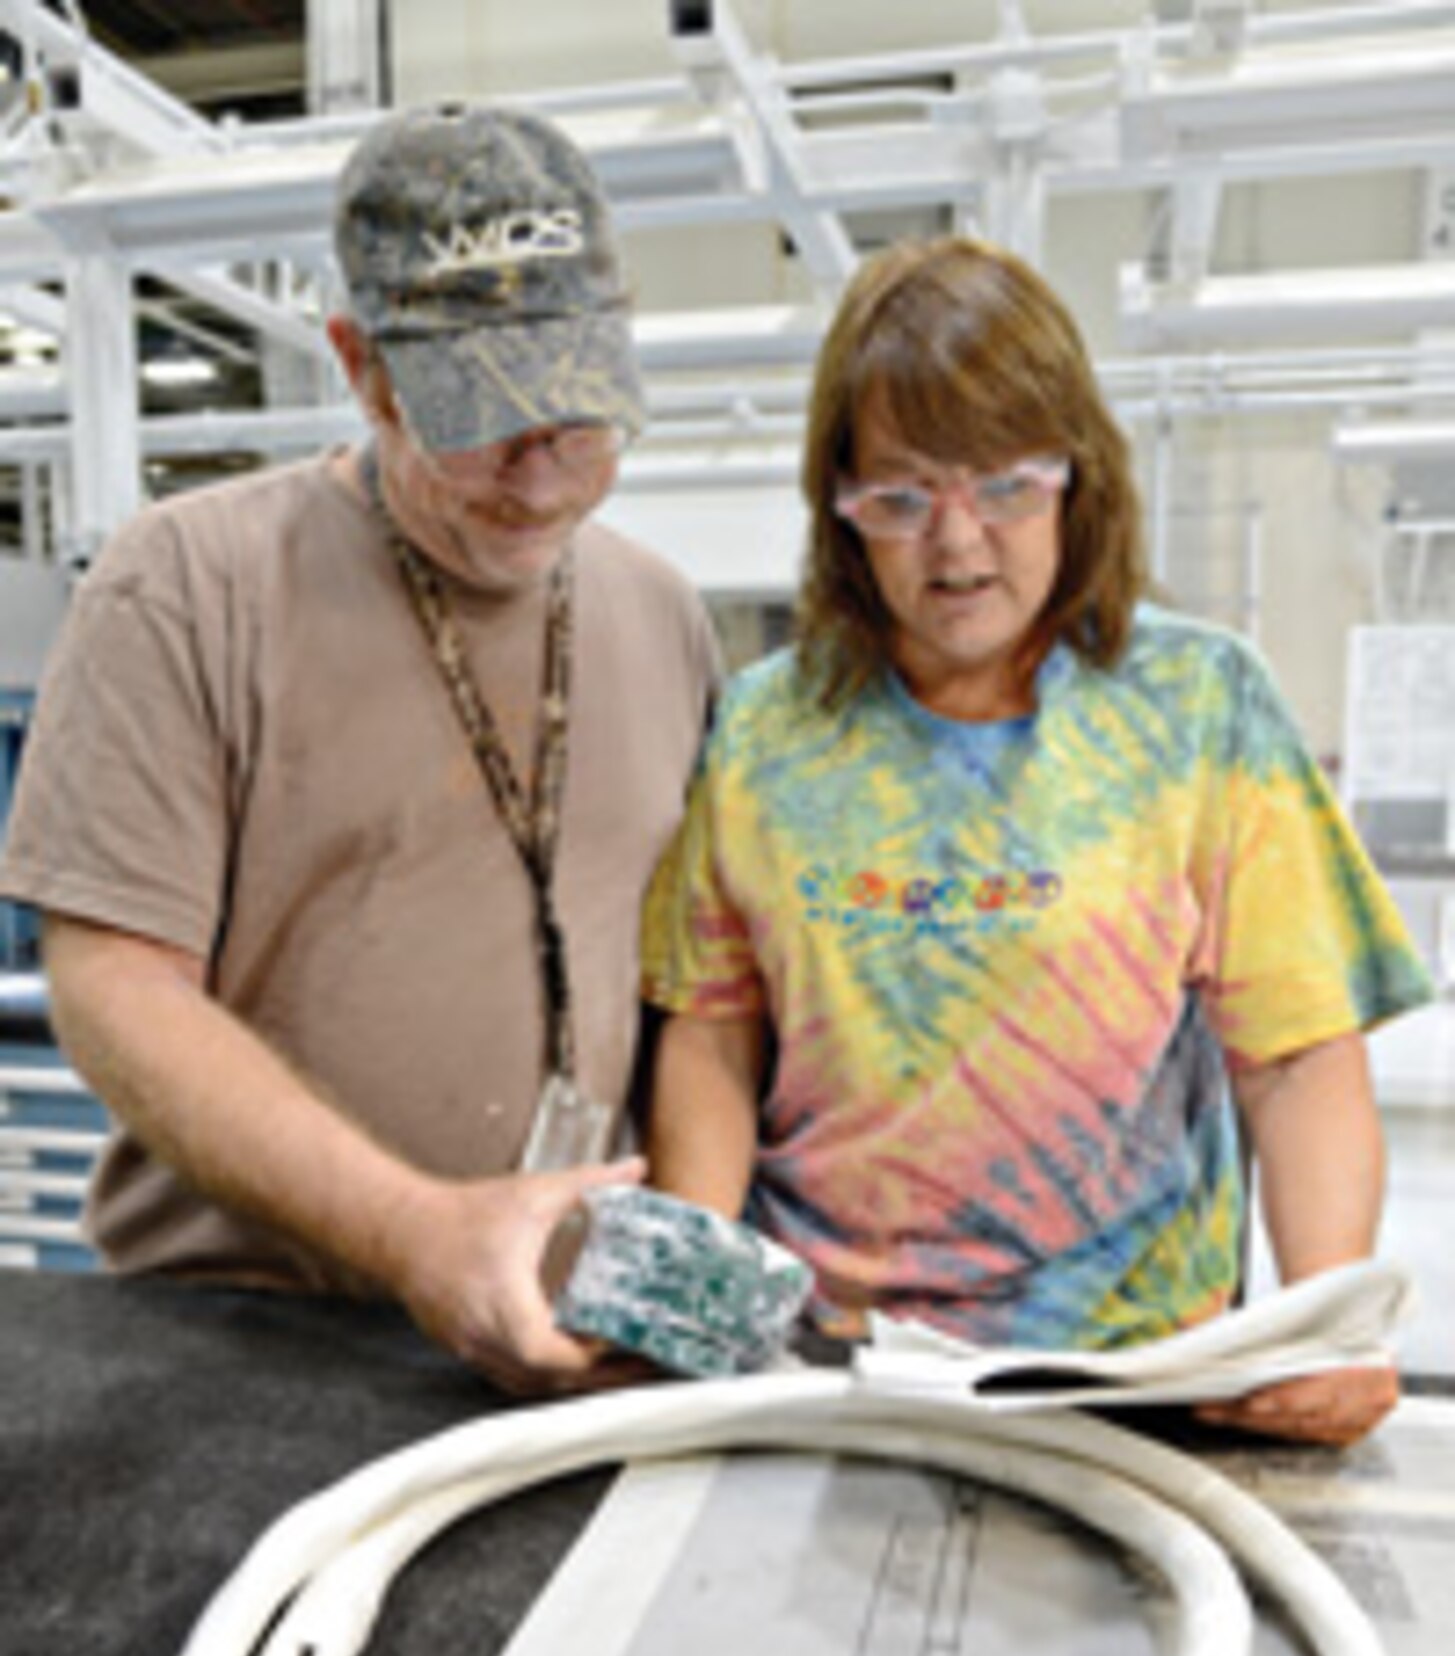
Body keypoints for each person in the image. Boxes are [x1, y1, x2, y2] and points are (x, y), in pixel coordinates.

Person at [642, 235, 1433, 1446]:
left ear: (1080, 477)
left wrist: (1325, 1326)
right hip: (822, 1357)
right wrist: (684, 1317)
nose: (958, 547)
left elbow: (1294, 1057)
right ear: (842, 508)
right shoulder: (765, 731)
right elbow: (713, 1033)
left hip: (1131, 1368)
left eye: (1005, 485)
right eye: (902, 499)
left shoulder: (1197, 706)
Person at [0, 102, 718, 1397]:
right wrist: (412, 1233)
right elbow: (114, 987)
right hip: (244, 1343)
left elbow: (690, 991)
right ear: (358, 362)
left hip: (565, 1344)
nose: (540, 478)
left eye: (577, 419)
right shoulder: (188, 584)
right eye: (483, 418)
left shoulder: (660, 614)